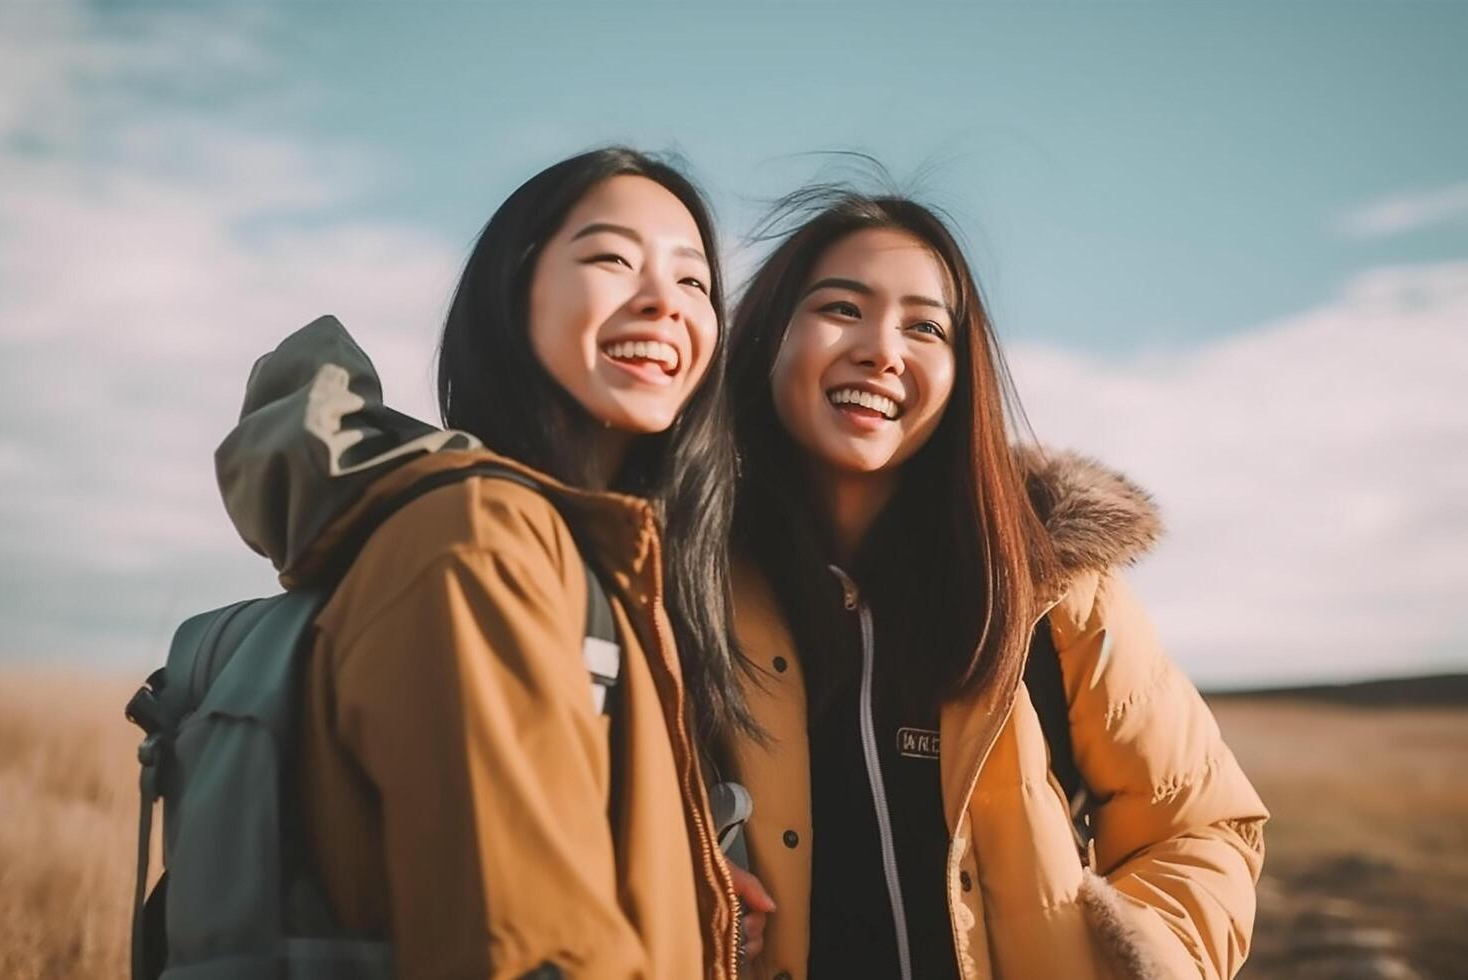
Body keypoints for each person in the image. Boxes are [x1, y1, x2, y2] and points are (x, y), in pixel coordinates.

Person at [223, 147, 759, 979]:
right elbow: (523, 949)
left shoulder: (602, 559)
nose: (663, 302)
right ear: (515, 295)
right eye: (613, 258)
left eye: (694, 282)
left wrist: (681, 891)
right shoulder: (481, 538)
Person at [723, 190, 1269, 980]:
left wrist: (1139, 960)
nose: (883, 350)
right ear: (767, 335)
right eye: (842, 308)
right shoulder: (681, 583)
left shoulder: (1055, 587)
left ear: (960, 376)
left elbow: (1201, 825)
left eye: (925, 327)